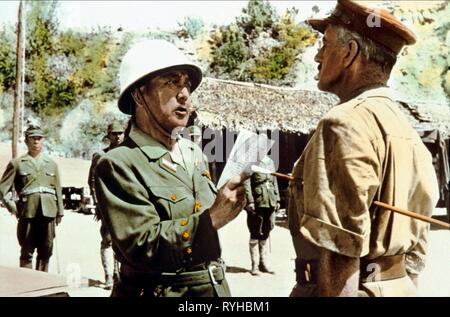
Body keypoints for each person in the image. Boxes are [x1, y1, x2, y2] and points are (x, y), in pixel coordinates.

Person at [288, 0, 439, 297]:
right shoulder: (406, 129)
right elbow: (416, 256)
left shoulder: (342, 123)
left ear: (349, 53)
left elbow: (341, 250)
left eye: (325, 44)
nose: (317, 56)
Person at [94, 39, 248, 297]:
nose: (184, 94)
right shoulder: (118, 163)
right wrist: (212, 220)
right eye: (171, 82)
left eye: (187, 84)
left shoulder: (194, 154)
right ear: (138, 94)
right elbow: (142, 247)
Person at [0, 125, 64, 272]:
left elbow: (57, 190)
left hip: (48, 211)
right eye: (33, 138)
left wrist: (60, 211)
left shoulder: (52, 164)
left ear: (43, 140)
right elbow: (3, 189)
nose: (36, 141)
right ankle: (27, 284)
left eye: (39, 138)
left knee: (46, 250)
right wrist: (12, 206)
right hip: (27, 211)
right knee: (27, 250)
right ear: (27, 141)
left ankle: (42, 285)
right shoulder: (17, 163)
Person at [88, 121, 124, 290]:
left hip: (127, 206)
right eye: (114, 133)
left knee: (126, 243)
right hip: (108, 206)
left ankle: (122, 277)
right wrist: (97, 203)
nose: (117, 136)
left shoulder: (129, 154)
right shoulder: (100, 156)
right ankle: (109, 276)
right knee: (108, 241)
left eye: (120, 133)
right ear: (108, 135)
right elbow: (93, 181)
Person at [244, 155, 280, 276]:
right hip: (258, 200)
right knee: (255, 231)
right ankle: (254, 265)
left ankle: (263, 264)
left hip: (270, 199)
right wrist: (250, 201)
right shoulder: (251, 162)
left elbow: (274, 181)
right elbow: (247, 182)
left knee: (266, 230)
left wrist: (277, 199)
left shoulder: (270, 161)